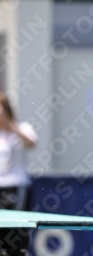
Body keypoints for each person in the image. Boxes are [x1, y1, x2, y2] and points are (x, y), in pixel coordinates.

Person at [0, 92, 38, 255]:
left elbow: (31, 144)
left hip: (16, 186)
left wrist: (11, 125)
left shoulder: (22, 127)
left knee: (14, 231)